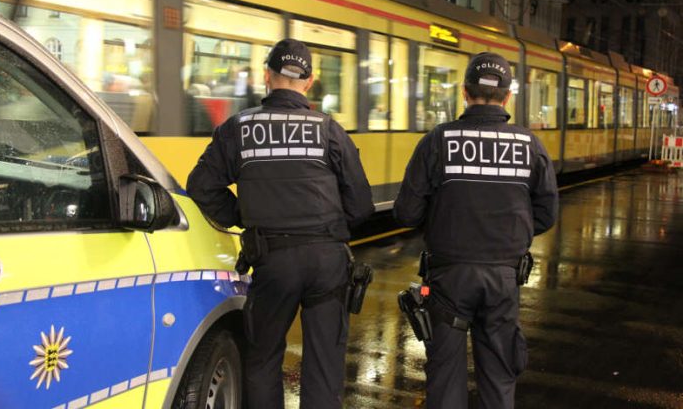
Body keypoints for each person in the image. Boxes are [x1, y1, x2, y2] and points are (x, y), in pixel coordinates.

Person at [187, 38, 374, 409]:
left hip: (273, 260)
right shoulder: (329, 130)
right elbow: (362, 206)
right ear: (309, 80)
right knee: (324, 364)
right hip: (327, 260)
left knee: (263, 358)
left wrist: (243, 215)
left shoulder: (238, 128)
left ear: (267, 76)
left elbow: (201, 186)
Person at [393, 52, 558, 409]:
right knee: (499, 376)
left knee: (445, 377)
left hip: (448, 278)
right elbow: (547, 212)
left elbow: (406, 212)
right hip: (503, 278)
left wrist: (443, 219)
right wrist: (511, 236)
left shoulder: (439, 140)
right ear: (508, 96)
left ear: (464, 93)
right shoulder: (529, 145)